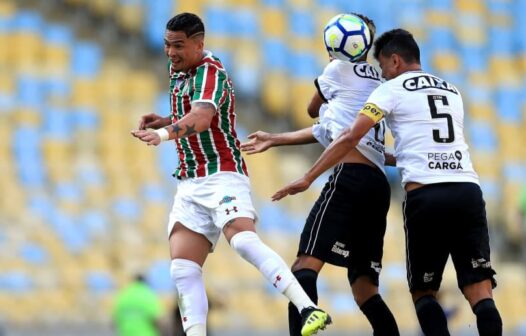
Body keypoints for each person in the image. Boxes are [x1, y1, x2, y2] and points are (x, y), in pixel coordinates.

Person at [272, 28, 503, 336]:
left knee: (424, 293)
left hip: (425, 195)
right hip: (467, 191)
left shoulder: (389, 89)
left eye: (382, 65)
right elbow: (414, 147)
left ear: (395, 60)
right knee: (480, 291)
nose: (381, 72)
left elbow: (352, 135)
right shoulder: (451, 90)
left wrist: (307, 177)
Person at [130, 13, 331, 336]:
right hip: (189, 180)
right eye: (167, 45)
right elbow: (190, 109)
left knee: (243, 242)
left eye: (178, 46)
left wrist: (165, 133)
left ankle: (308, 308)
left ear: (199, 44)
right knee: (183, 268)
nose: (170, 52)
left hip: (222, 173)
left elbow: (203, 116)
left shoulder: (211, 73)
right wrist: (165, 118)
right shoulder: (179, 68)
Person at [241, 13, 399, 336]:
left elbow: (313, 110)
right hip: (378, 185)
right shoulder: (378, 83)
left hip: (348, 177)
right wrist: (276, 138)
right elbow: (330, 130)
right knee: (365, 289)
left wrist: (307, 177)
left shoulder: (336, 71)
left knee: (302, 270)